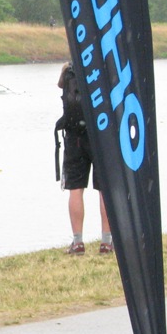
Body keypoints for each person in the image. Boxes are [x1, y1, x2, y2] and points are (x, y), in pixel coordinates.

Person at [55, 62, 113, 254]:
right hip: (101, 135)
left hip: (75, 137)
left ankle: (78, 242)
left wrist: (67, 68)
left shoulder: (68, 70)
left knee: (75, 189)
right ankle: (106, 242)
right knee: (105, 190)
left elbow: (60, 85)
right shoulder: (102, 66)